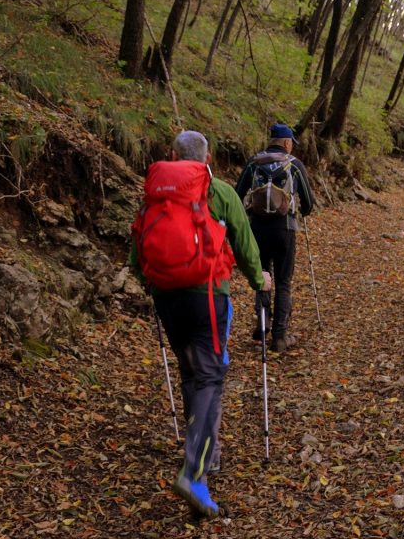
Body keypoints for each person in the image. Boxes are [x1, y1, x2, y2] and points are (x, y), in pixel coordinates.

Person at [131, 130, 271, 518]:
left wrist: (154, 282)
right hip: (209, 296)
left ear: (172, 154)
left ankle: (200, 454)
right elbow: (243, 243)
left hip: (166, 296)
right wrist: (260, 279)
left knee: (192, 370)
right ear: (207, 159)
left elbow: (135, 253)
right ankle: (199, 468)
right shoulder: (220, 192)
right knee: (210, 376)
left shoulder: (155, 196)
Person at [235, 123, 315, 353]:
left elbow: (237, 193)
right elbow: (309, 203)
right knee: (283, 281)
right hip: (285, 229)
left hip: (258, 229)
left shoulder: (253, 163)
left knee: (262, 276)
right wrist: (301, 209)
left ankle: (262, 324)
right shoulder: (295, 165)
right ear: (287, 142)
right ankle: (279, 337)